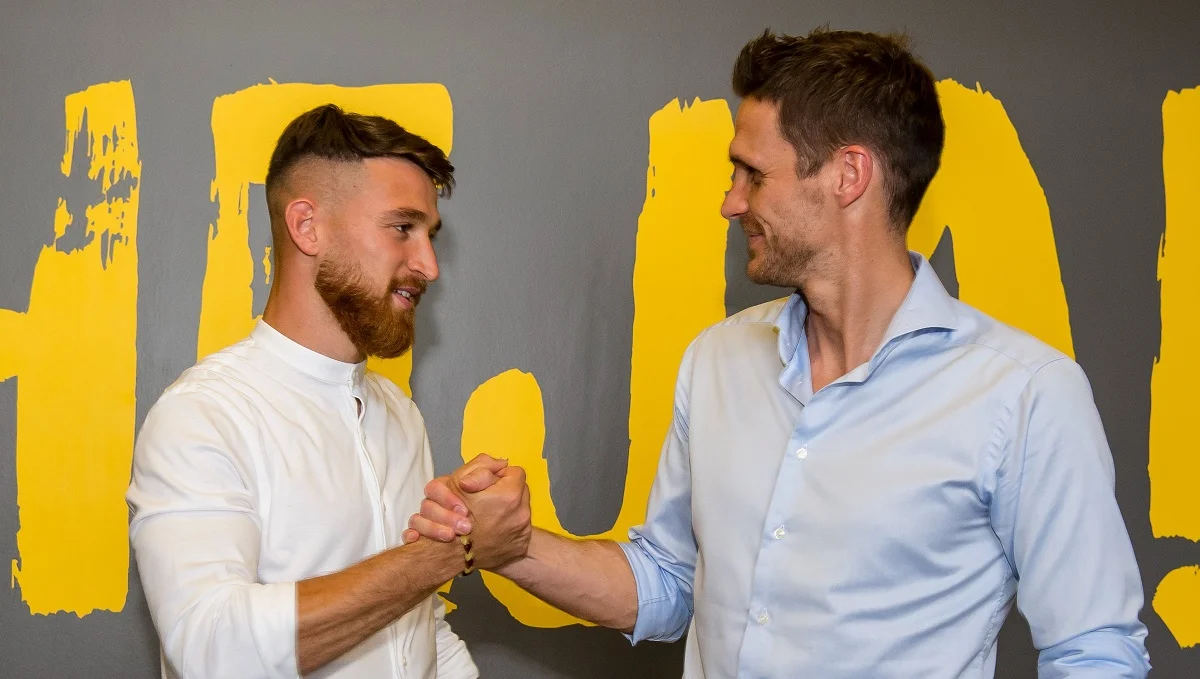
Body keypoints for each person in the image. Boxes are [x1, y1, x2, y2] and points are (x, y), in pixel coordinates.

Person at [405, 29, 1151, 678]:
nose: (731, 201)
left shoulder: (1025, 394)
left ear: (849, 176)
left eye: (752, 173)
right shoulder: (718, 361)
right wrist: (509, 546)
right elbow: (670, 584)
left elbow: (1095, 651)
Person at [127, 104, 530, 679]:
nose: (429, 265)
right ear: (306, 226)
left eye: (429, 235)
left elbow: (415, 630)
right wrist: (449, 552)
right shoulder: (203, 416)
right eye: (402, 228)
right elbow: (210, 649)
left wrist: (440, 557)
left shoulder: (399, 415)